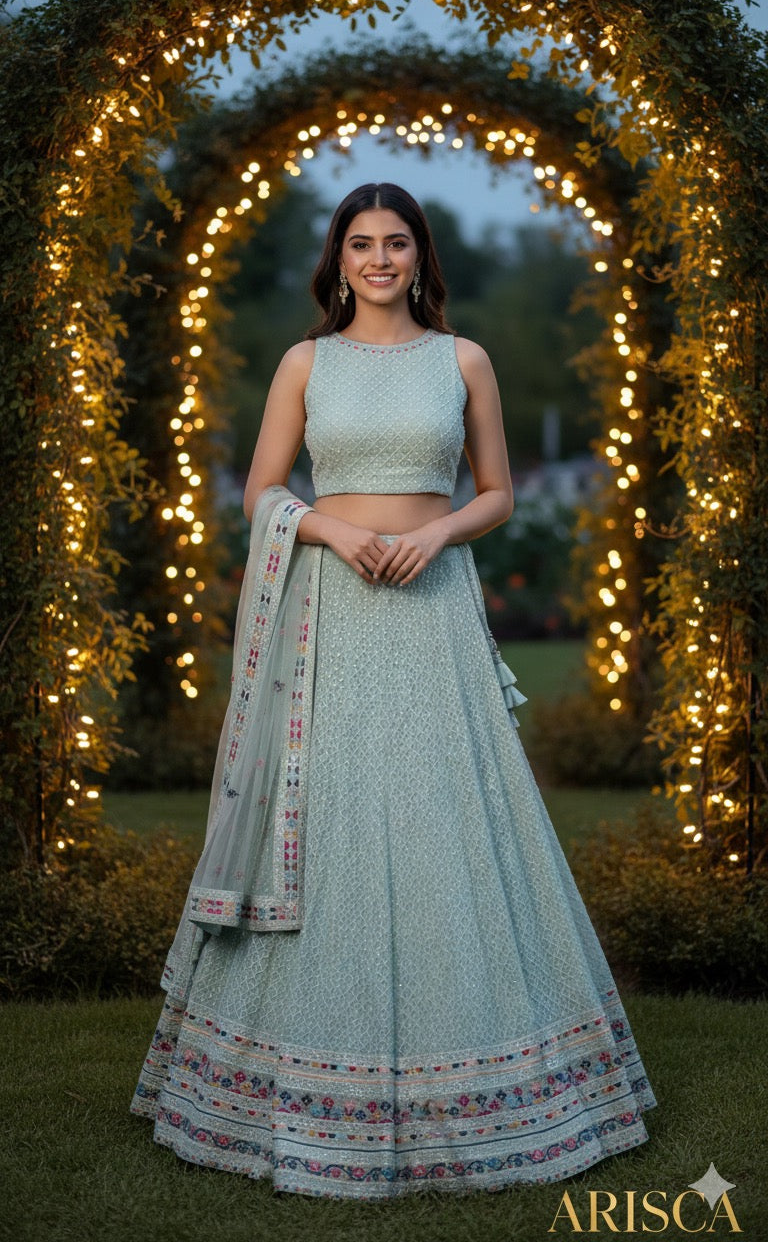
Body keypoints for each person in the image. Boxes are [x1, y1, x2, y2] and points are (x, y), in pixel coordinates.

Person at [131, 182, 656, 1200]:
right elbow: (263, 491)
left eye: (397, 244)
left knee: (443, 811)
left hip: (431, 608)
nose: (379, 260)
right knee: (326, 813)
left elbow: (497, 491)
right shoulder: (304, 363)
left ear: (421, 257)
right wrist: (330, 530)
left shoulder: (464, 361)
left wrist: (429, 534)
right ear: (337, 260)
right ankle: (285, 1077)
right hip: (328, 608)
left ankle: (496, 1076)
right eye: (362, 244)